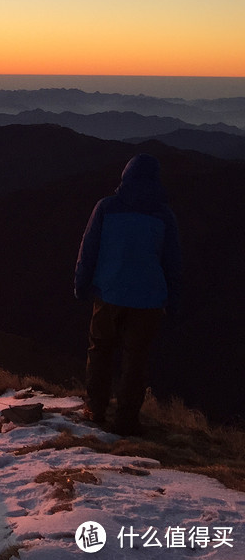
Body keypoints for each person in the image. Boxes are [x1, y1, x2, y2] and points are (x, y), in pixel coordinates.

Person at [74, 153, 182, 435]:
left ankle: (95, 409)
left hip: (108, 294)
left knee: (100, 350)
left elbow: (89, 251)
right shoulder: (163, 215)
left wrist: (81, 284)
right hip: (148, 302)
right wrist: (173, 297)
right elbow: (172, 261)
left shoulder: (106, 208)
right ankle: (126, 420)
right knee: (136, 360)